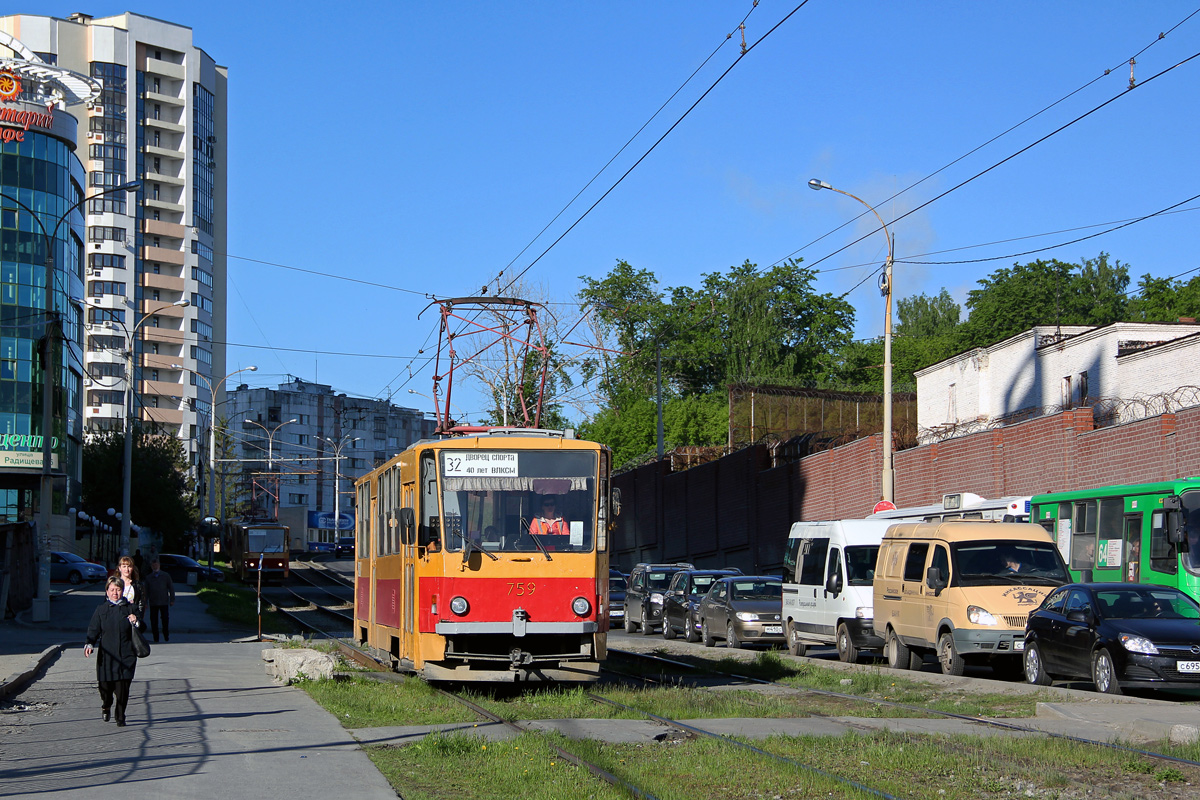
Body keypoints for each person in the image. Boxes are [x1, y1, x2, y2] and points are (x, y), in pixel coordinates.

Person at [84, 576, 143, 726]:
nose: (115, 593)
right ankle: (106, 705)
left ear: (122, 591)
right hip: (107, 656)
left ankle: (120, 716)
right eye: (112, 590)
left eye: (118, 589)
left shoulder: (130, 608)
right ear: (107, 591)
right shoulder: (101, 609)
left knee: (122, 689)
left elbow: (143, 627)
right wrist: (89, 644)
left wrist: (136, 621)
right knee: (105, 687)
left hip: (126, 656)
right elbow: (93, 629)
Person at [143, 558, 175, 643]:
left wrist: (172, 599)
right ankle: (155, 637)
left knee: (165, 619)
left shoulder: (165, 576)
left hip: (164, 601)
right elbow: (146, 591)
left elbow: (171, 588)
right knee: (154, 621)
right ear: (151, 566)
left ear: (159, 565)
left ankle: (166, 634)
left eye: (156, 565)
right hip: (153, 602)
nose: (155, 566)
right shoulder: (149, 578)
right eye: (153, 565)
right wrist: (145, 602)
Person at [116, 555, 146, 620]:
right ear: (119, 568)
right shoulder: (114, 584)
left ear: (132, 568)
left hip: (132, 618)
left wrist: (138, 619)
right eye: (124, 566)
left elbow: (141, 605)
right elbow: (107, 602)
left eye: (129, 566)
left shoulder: (138, 585)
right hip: (116, 617)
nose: (127, 569)